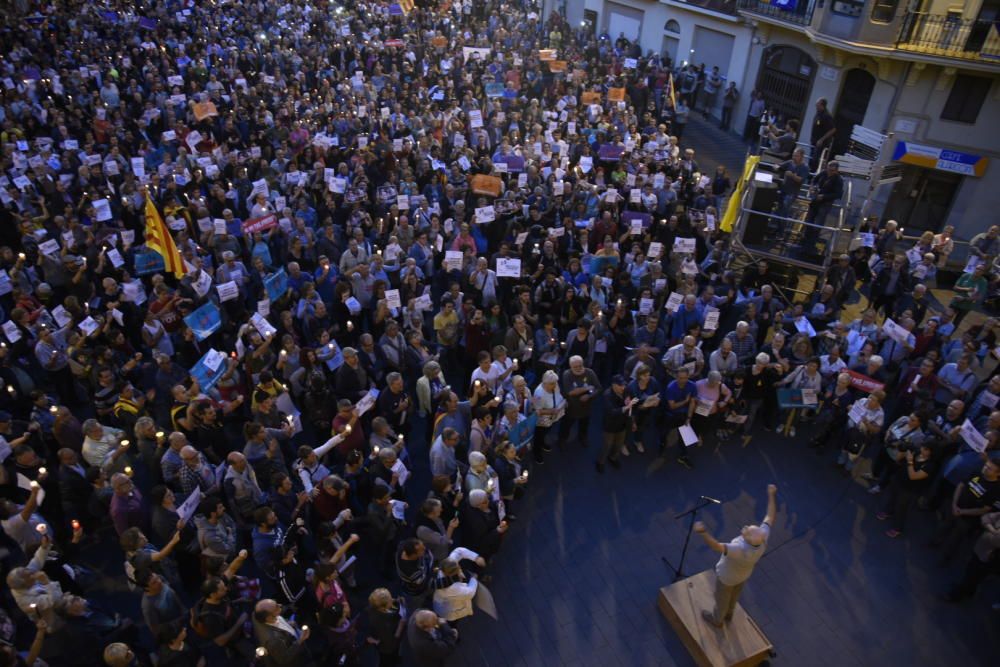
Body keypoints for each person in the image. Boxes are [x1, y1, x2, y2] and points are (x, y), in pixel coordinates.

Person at [694, 484, 778, 627]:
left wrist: (703, 532)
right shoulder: (762, 539)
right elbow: (770, 516)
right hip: (743, 576)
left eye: (748, 531)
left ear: (749, 540)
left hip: (726, 578)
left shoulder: (739, 549)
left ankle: (717, 620)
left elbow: (716, 546)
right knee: (734, 596)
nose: (746, 527)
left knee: (722, 599)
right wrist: (771, 494)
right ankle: (729, 615)